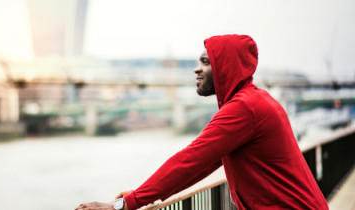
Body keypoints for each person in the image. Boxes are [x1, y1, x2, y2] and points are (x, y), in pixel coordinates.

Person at [75, 34, 328, 210]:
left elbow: (189, 160)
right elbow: (200, 166)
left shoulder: (243, 108)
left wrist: (125, 204)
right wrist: (138, 198)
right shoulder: (255, 100)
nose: (197, 69)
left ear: (226, 67)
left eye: (206, 62)